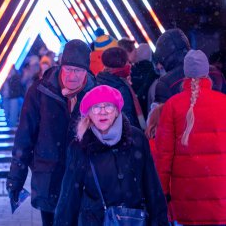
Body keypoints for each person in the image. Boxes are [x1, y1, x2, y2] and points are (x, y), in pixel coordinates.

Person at [6, 39, 96, 226]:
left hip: (84, 181)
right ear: (60, 65)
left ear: (86, 70)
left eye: (78, 71)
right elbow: (24, 137)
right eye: (68, 69)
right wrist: (16, 179)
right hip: (49, 178)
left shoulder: (96, 94)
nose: (72, 76)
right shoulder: (40, 91)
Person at [54, 85, 168, 226]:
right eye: (96, 107)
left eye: (108, 106)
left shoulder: (136, 139)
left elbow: (152, 188)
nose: (103, 112)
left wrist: (160, 221)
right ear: (88, 113)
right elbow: (69, 198)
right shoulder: (80, 147)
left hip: (133, 221)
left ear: (116, 111)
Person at [155, 50, 226, 225]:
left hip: (185, 198)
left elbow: (163, 155)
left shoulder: (172, 106)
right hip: (221, 197)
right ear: (207, 72)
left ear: (185, 73)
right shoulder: (223, 102)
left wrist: (162, 192)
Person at [96, 46, 144, 128]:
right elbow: (128, 119)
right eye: (127, 62)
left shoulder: (101, 79)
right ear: (121, 64)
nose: (130, 65)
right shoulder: (120, 87)